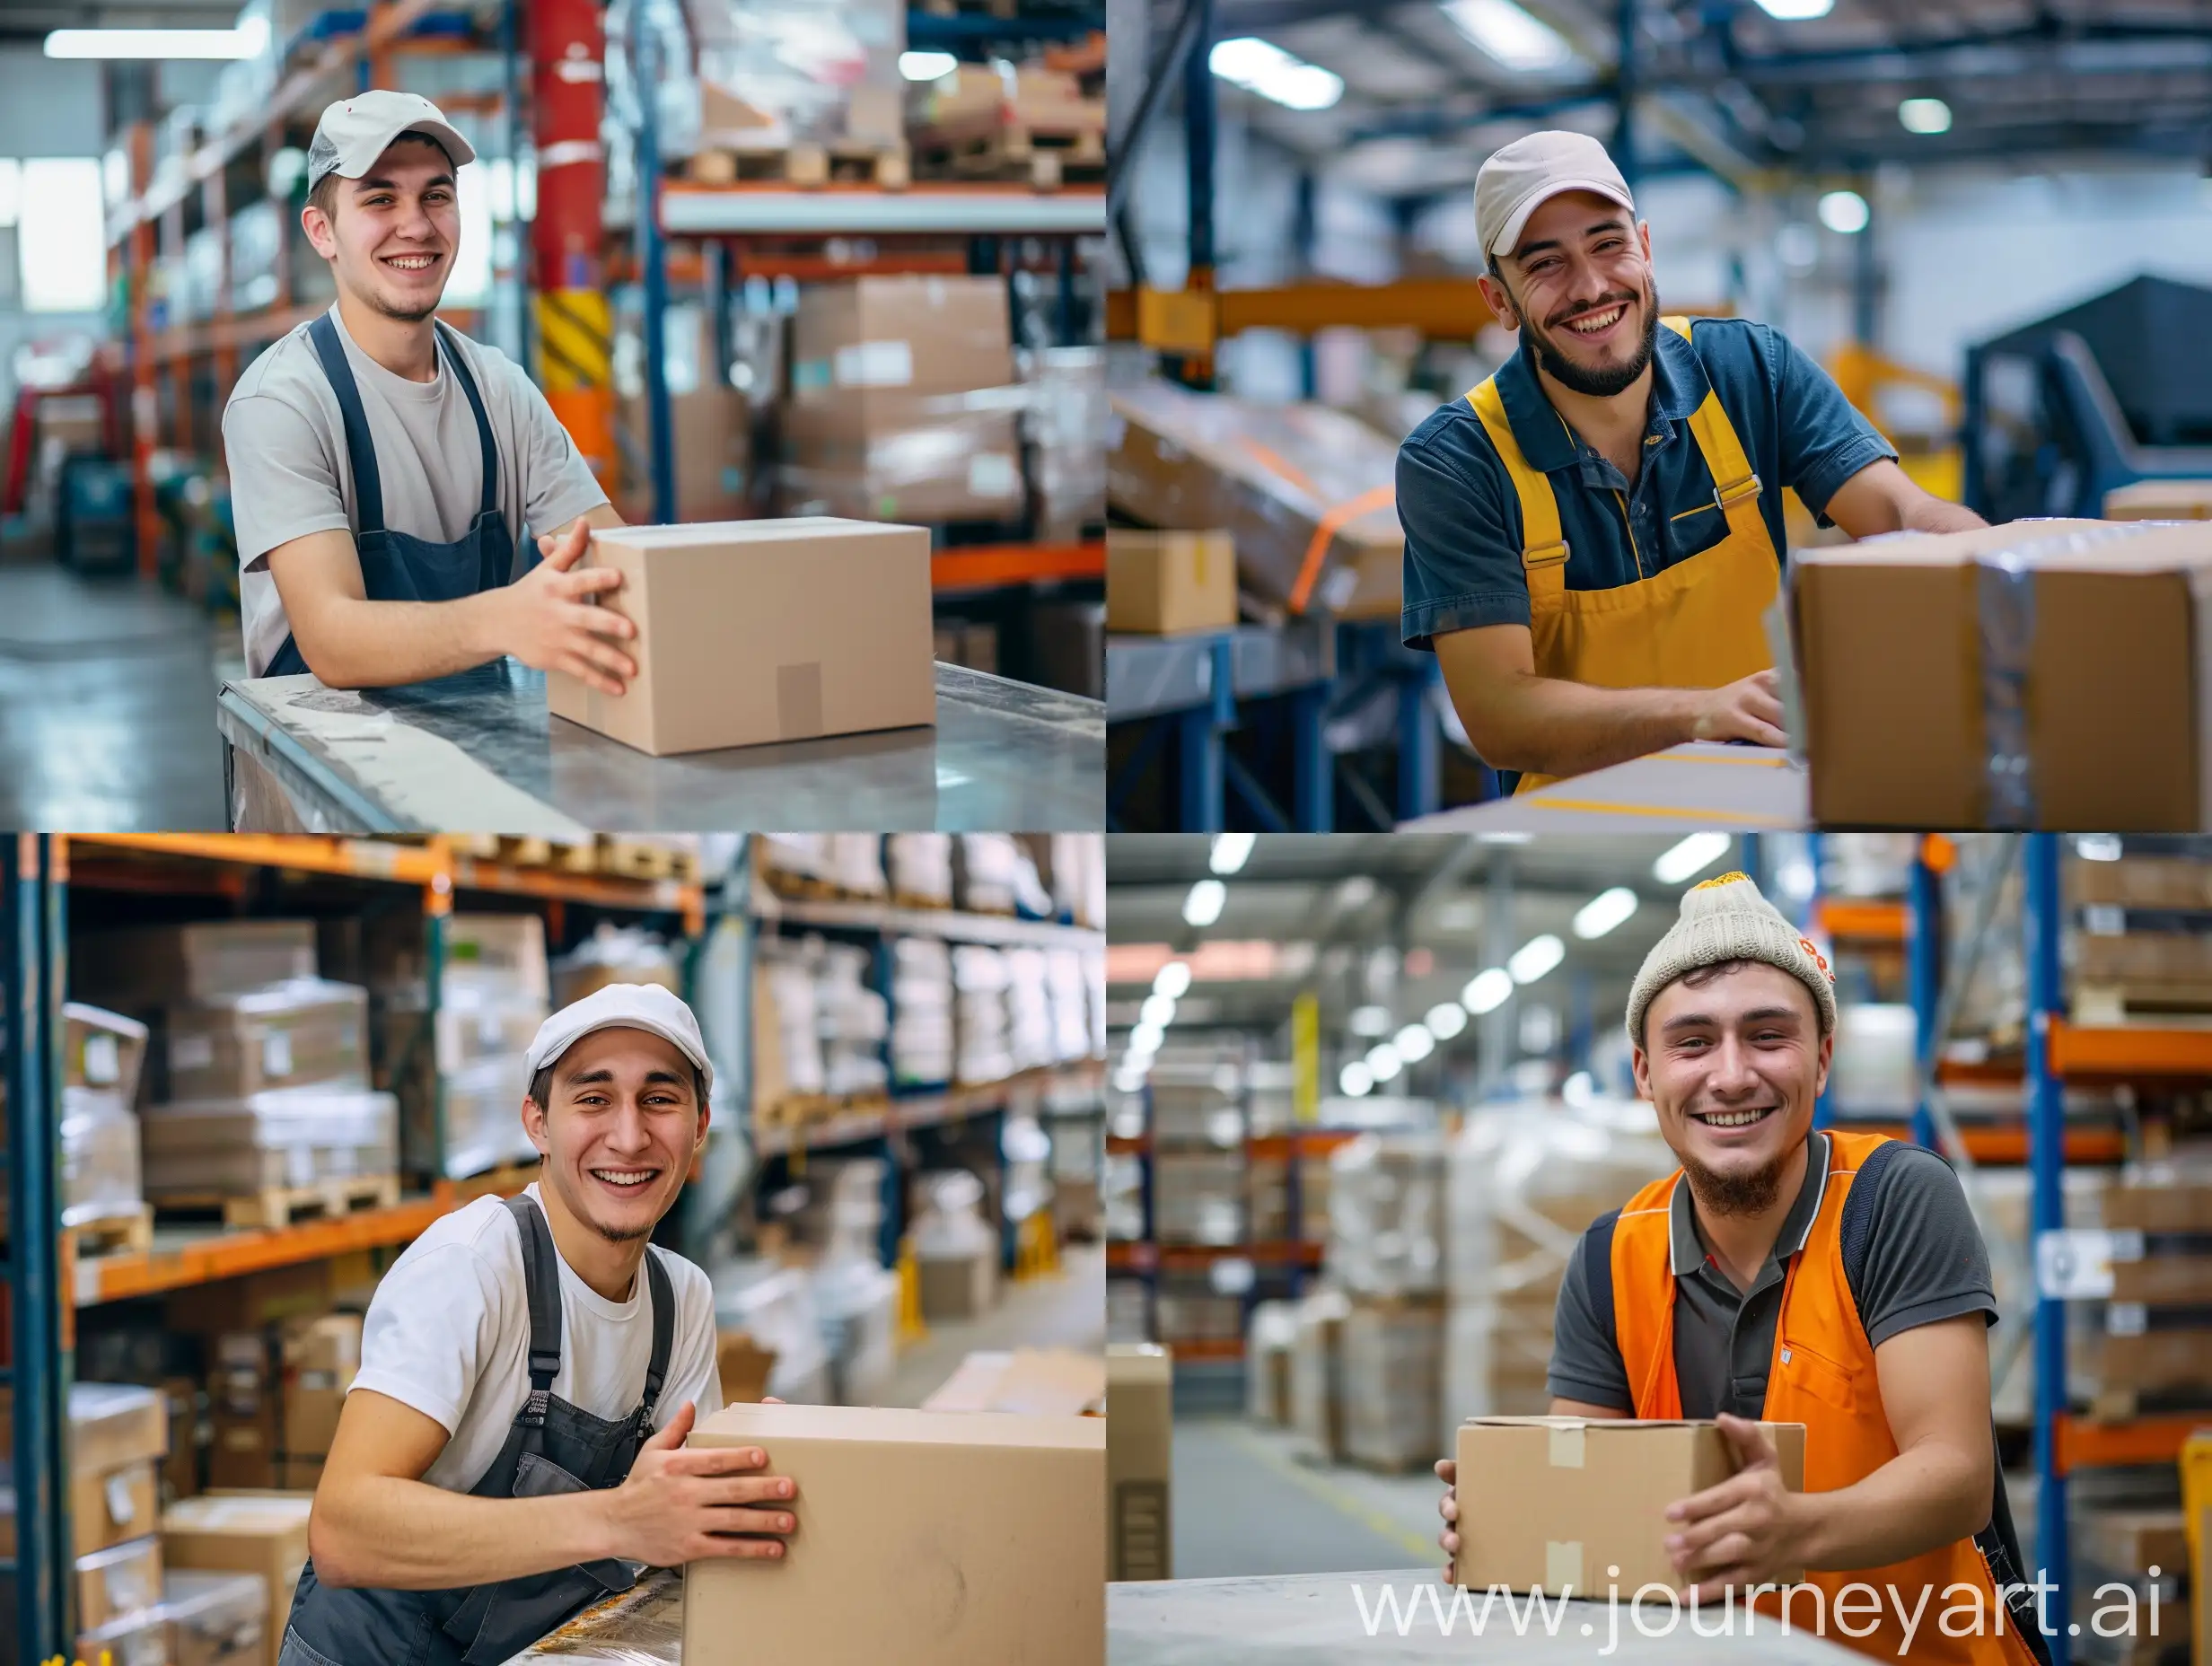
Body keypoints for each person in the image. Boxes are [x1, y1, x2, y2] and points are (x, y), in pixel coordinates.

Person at [1434, 872, 2048, 1666]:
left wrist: (1796, 1529)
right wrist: (1515, 1518)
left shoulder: (1895, 1199)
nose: (1730, 1076)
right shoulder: (1610, 1254)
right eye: (1692, 1043)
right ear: (1645, 1074)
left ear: (1821, 1059)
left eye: (1768, 1036)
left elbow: (1956, 1473)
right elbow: (1587, 1486)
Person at [1398, 131, 1988, 794]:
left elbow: (1896, 510)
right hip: (1587, 833)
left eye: (1608, 244)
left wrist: (1963, 543)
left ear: (1646, 249)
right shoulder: (1456, 461)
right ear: (1499, 299)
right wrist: (1698, 714)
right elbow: (1499, 714)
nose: (1591, 287)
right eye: (1545, 265)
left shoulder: (1748, 371)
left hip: (1765, 797)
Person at [279, 983, 795, 1666]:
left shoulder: (680, 1300)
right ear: (537, 1123)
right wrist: (620, 1520)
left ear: (699, 1126)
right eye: (593, 1099)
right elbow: (344, 1532)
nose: (630, 1136)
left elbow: (678, 1527)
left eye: (660, 1099)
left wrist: (758, 1474)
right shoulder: (472, 1268)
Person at [224, 90, 638, 696]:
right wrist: (505, 619)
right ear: (322, 232)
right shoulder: (282, 403)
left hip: (482, 743)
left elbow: (612, 559)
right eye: (380, 198)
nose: (416, 225)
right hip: (324, 763)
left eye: (436, 196)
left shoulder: (499, 390)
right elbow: (333, 640)